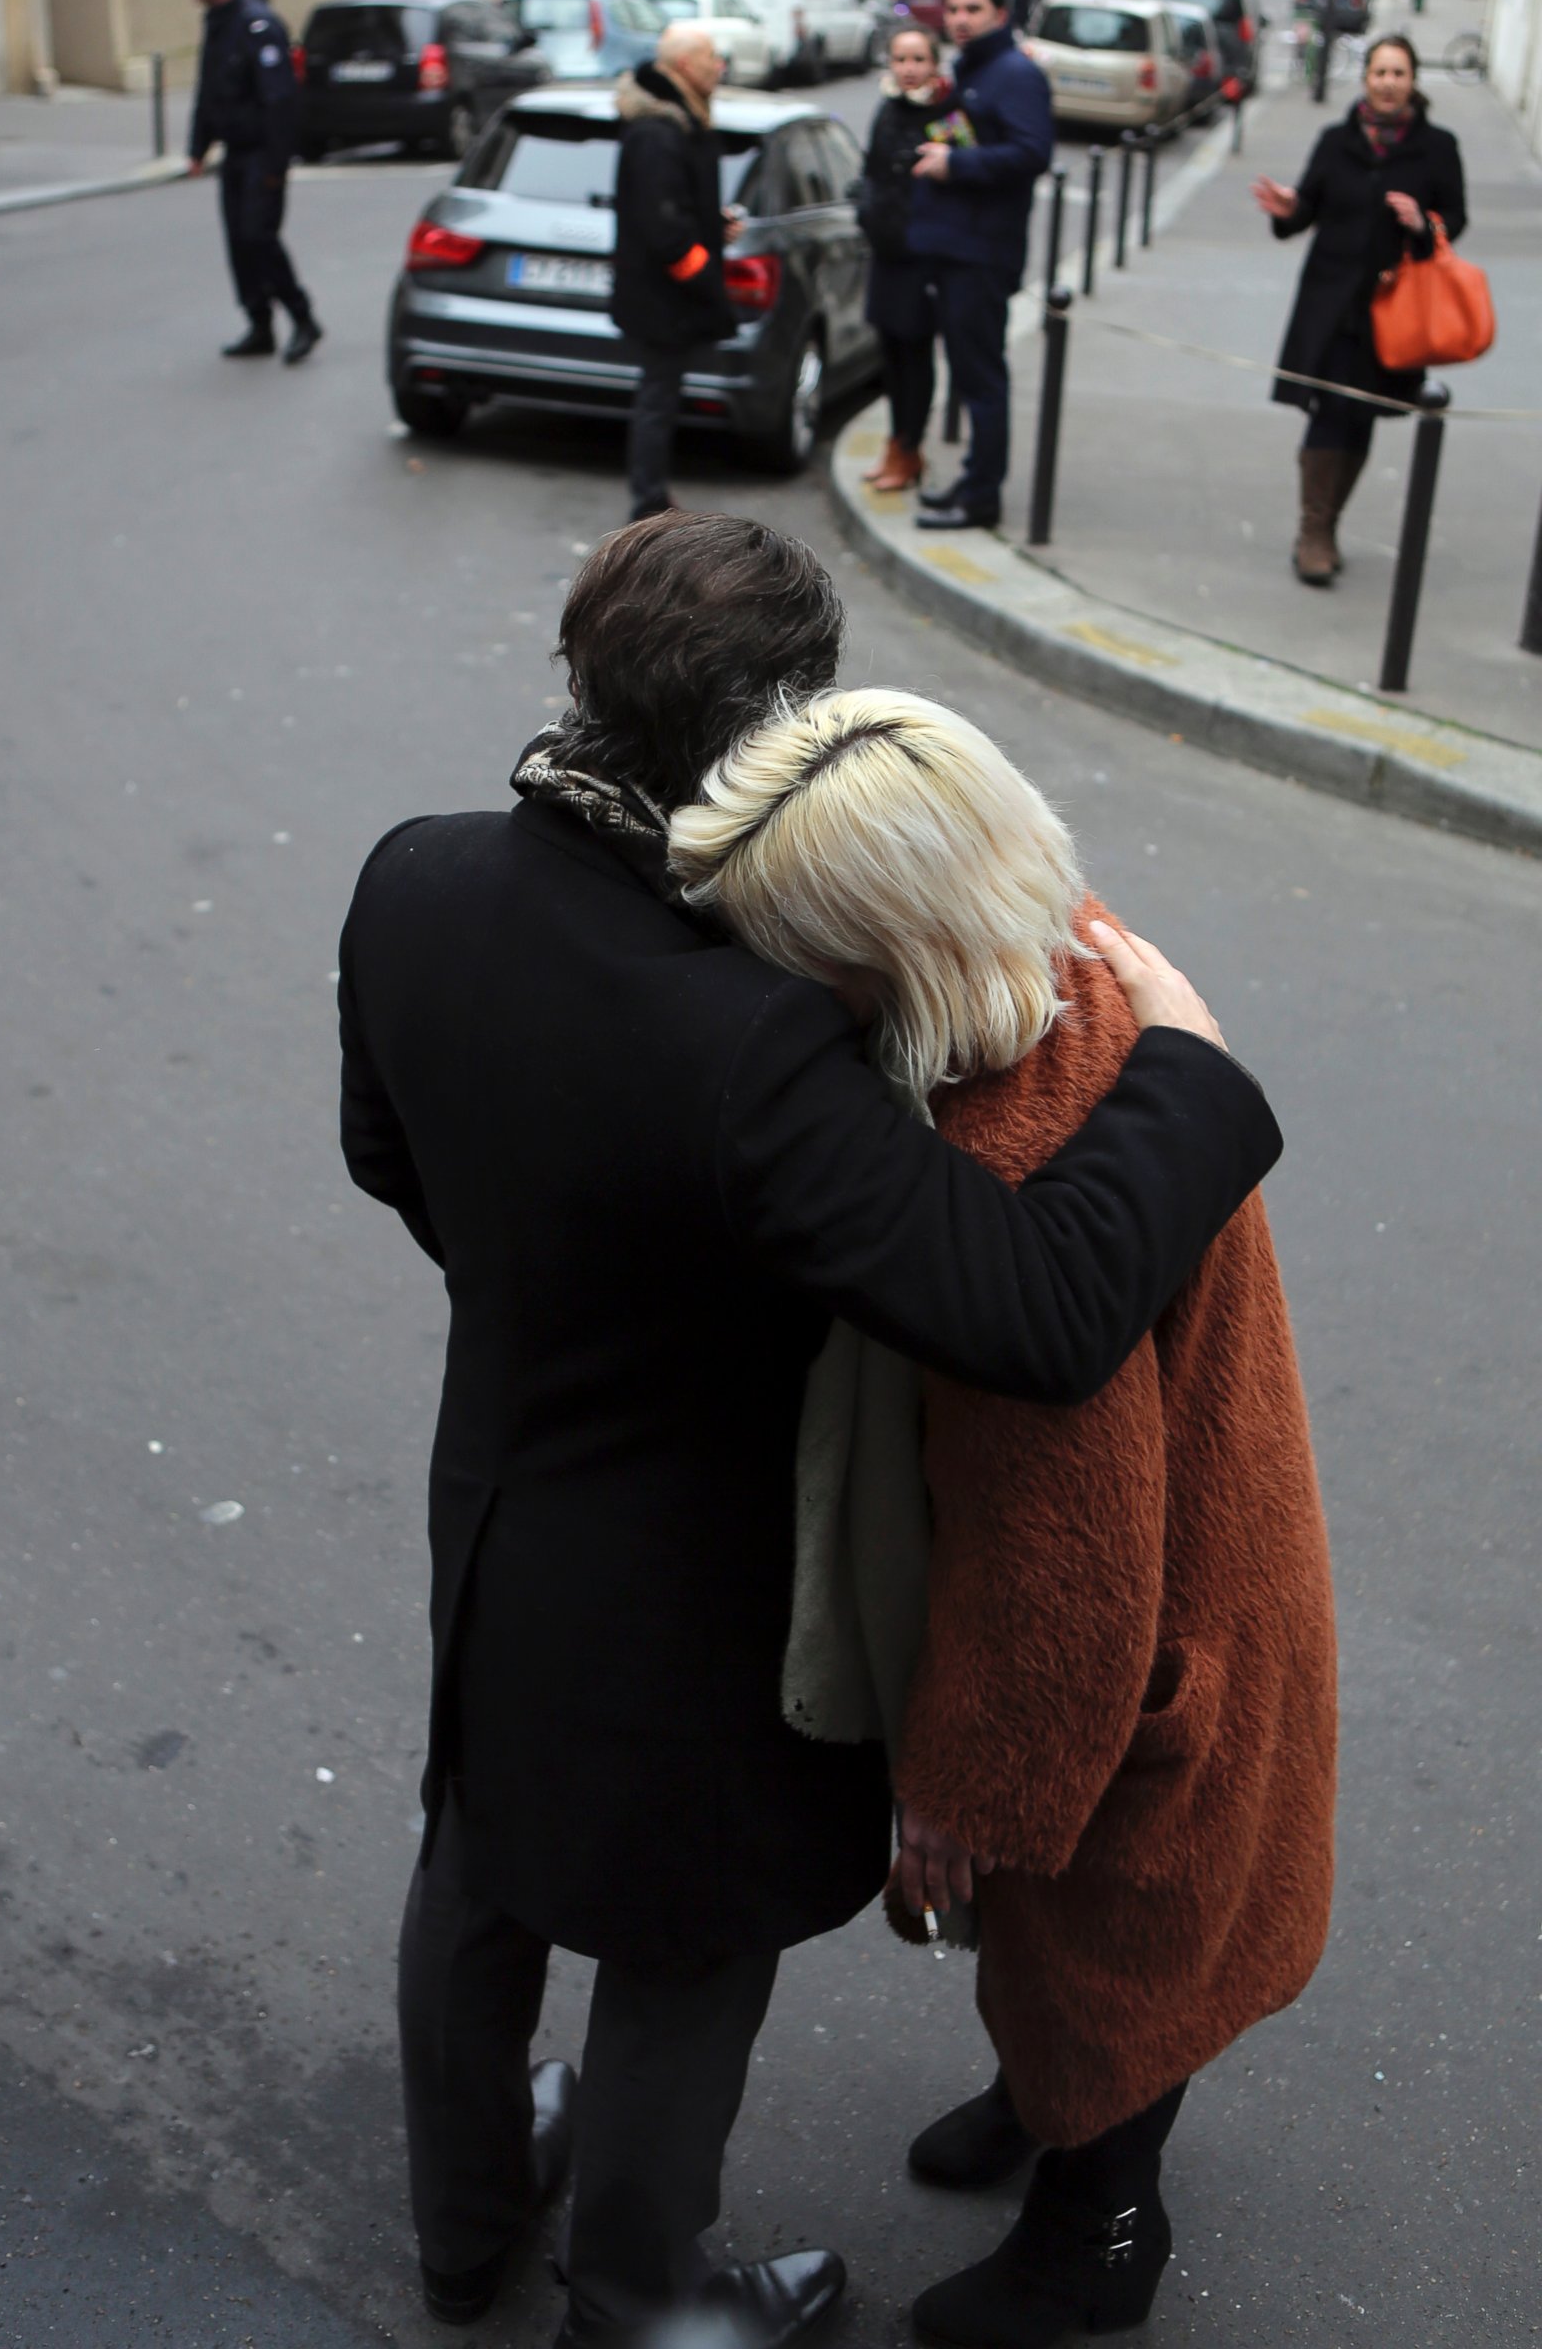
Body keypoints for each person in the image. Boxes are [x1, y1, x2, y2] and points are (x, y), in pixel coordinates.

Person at [337, 511, 1282, 2349]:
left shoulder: (417, 876)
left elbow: (390, 1156)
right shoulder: (749, 1029)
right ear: (783, 725)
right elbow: (1031, 1306)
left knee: (474, 1858)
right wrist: (1184, 1067)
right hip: (702, 1569)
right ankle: (640, 2295)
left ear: (580, 679)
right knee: (685, 1940)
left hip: (507, 1490)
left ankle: (466, 2215)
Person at [668, 687, 1337, 2349]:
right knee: (1094, 1952)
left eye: (800, 955)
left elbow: (1060, 1555)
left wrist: (965, 1790)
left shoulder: (1008, 1139)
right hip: (1218, 1563)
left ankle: (1093, 2227)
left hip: (1148, 1635)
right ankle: (1054, 2112)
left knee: (1106, 1954)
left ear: (888, 945)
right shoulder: (1072, 952)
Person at [1254, 33, 1467, 585]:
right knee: (1329, 413)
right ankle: (1314, 533)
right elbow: (1306, 212)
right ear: (1365, 79)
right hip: (1328, 305)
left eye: (1398, 73)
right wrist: (1288, 209)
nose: (1388, 83)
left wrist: (1422, 225)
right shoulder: (1336, 140)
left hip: (1390, 309)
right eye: (1379, 73)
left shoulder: (1437, 147)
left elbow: (1455, 221)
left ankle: (1326, 524)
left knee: (1361, 417)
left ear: (1413, 81)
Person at [906, 0, 1053, 532]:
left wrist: (956, 163)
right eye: (953, 9)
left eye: (973, 9)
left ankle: (982, 496)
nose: (960, 19)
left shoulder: (1013, 73)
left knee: (982, 378)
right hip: (958, 244)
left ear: (999, 13)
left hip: (981, 251)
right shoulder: (977, 68)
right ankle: (973, 480)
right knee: (969, 376)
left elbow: (1031, 152)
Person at [609, 23, 740, 523]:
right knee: (658, 399)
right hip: (663, 297)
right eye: (711, 57)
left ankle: (652, 496)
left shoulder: (679, 122)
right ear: (685, 65)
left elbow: (679, 207)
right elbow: (666, 229)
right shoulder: (658, 133)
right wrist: (706, 281)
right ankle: (647, 505)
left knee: (661, 395)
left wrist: (714, 224)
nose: (719, 65)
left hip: (667, 292)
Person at [181, 0, 322, 364]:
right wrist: (197, 149)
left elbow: (280, 100)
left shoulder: (257, 25)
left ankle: (303, 317)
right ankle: (259, 324)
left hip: (262, 152)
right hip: (235, 153)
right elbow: (208, 93)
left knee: (259, 237)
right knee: (238, 243)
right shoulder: (218, 23)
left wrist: (276, 165)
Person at [856, 24, 953, 494]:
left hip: (920, 257)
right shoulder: (887, 108)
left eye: (918, 59)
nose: (909, 69)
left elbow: (955, 176)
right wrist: (866, 213)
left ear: (934, 64)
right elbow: (871, 173)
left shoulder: (945, 112)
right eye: (901, 59)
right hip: (886, 252)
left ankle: (910, 449)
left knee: (915, 356)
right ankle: (895, 444)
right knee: (890, 356)